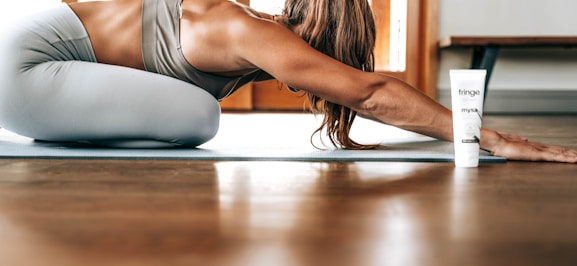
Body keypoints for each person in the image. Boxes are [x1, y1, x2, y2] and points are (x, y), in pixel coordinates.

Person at [0, 0, 575, 163]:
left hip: (28, 56)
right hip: (24, 66)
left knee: (190, 107)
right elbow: (370, 92)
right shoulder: (250, 31)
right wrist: (489, 136)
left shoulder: (244, 29)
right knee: (200, 116)